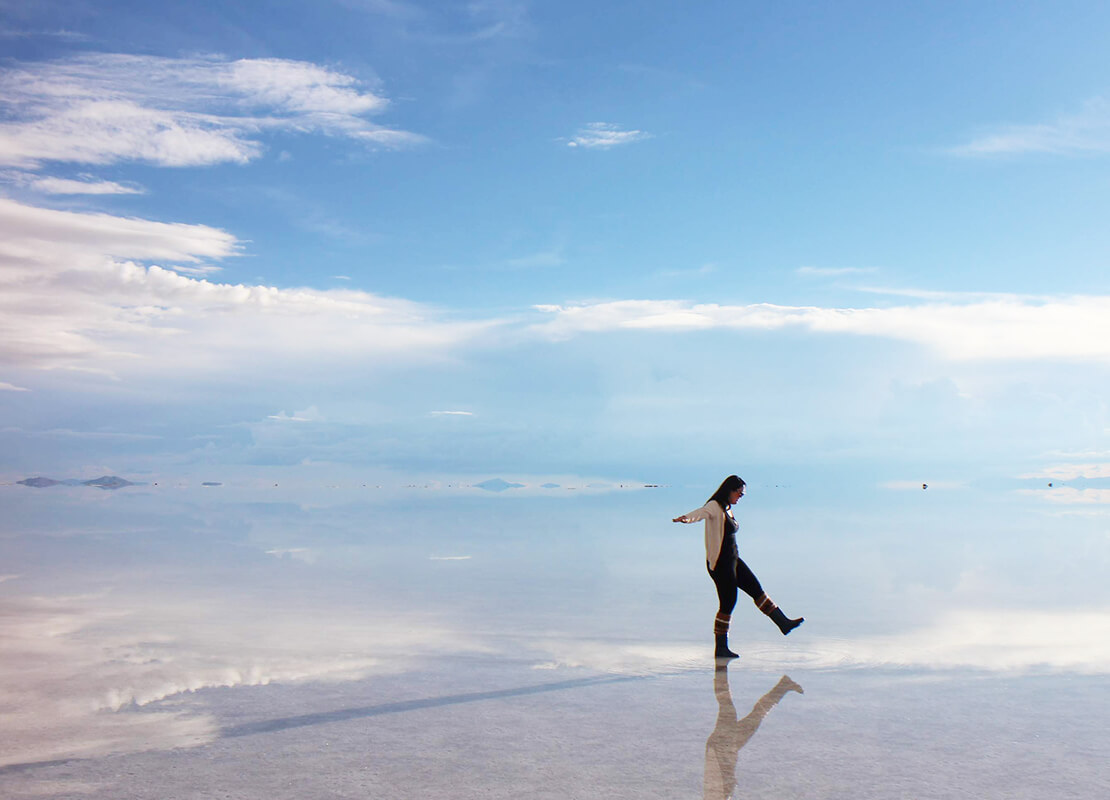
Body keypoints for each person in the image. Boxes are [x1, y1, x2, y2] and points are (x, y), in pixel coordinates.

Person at [673, 475, 803, 659]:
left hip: (734, 560)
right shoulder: (715, 506)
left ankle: (783, 623)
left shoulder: (728, 508)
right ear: (730, 490)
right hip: (720, 564)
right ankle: (721, 648)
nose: (741, 497)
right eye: (739, 493)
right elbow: (700, 513)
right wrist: (685, 518)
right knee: (728, 603)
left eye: (742, 494)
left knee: (757, 590)